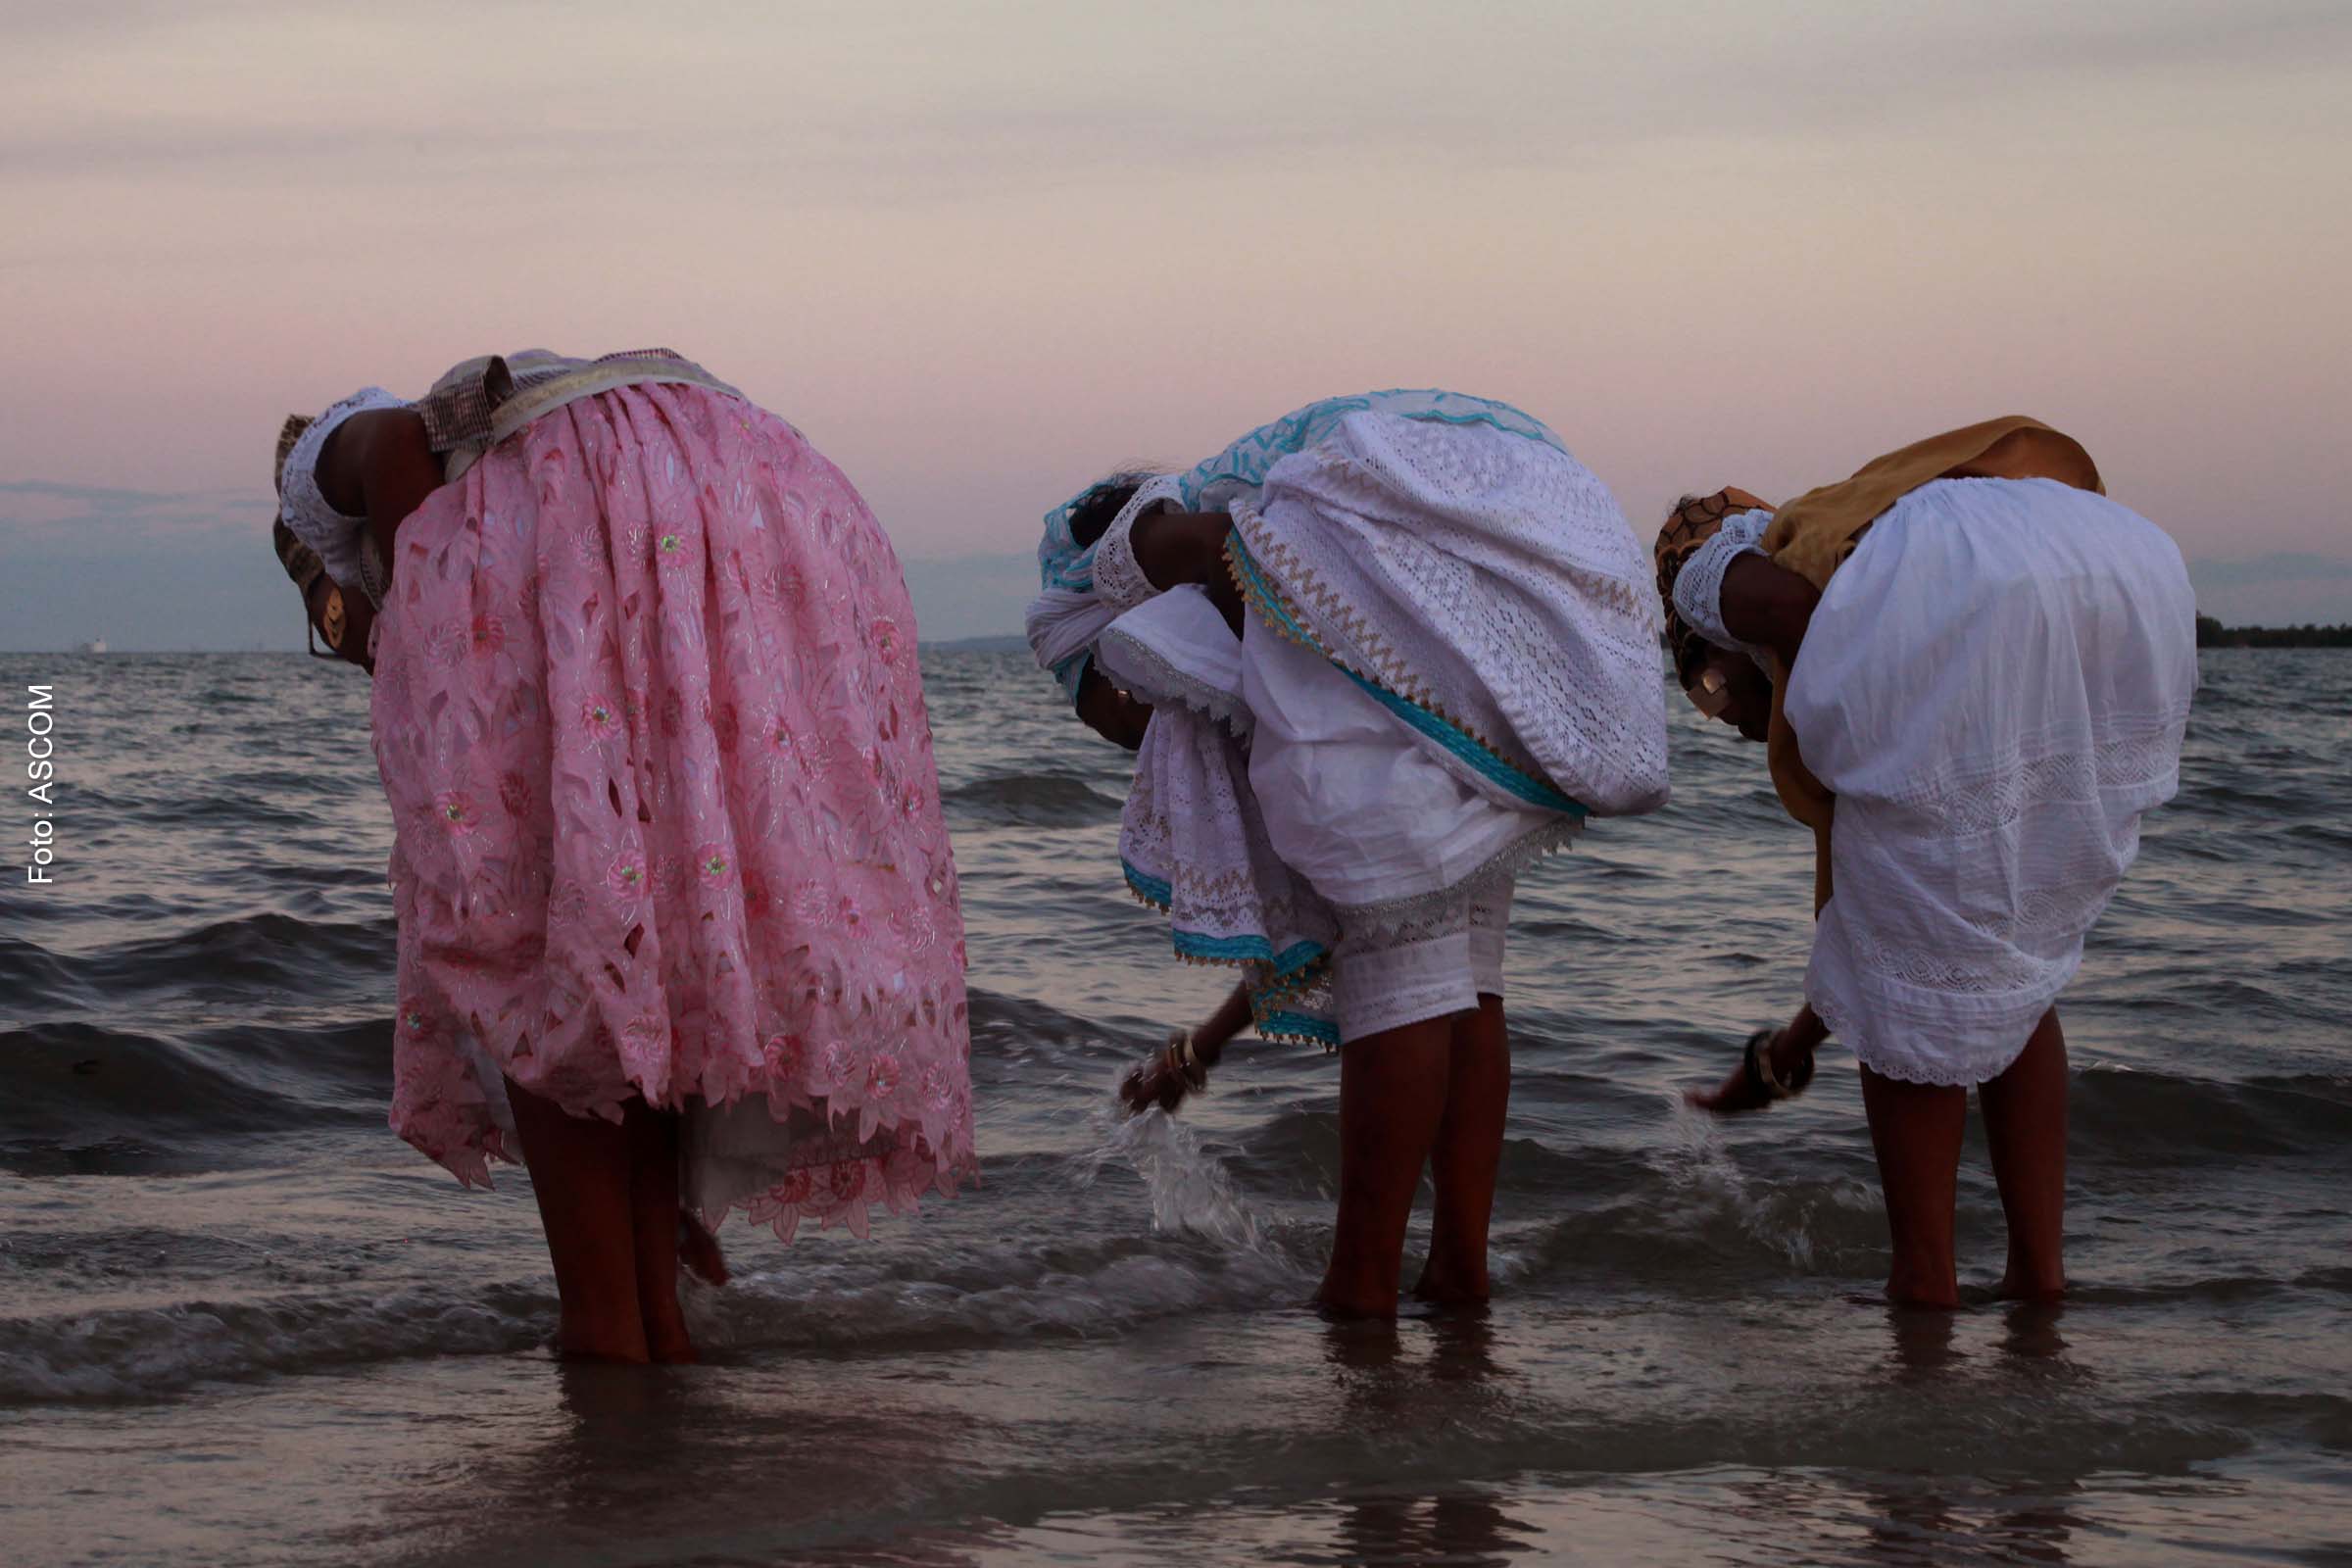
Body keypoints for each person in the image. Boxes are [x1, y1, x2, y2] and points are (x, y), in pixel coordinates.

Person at [272, 350, 976, 1361]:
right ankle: (649, 1325)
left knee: (524, 933)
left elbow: (386, 453)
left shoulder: (331, 465)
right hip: (755, 492)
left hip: (630, 483)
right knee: (642, 913)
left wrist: (425, 665)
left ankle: (608, 1348)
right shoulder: (507, 504)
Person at [1028, 390, 1670, 1316]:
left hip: (1451, 514)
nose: (1123, 727)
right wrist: (1195, 1051)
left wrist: (1144, 564)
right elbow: (1332, 925)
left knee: (1405, 973)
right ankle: (1457, 1272)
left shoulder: (1205, 563)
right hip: (1517, 548)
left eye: (1101, 693)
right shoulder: (1319, 638)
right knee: (1459, 970)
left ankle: (1360, 1291)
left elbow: (1162, 539)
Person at [1661, 417, 2196, 1307]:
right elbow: (1866, 933)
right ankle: (2038, 1286)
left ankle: (1924, 1287)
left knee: (1922, 979)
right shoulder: (1858, 556)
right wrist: (1782, 1058)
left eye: (1712, 692)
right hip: (2122, 573)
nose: (1730, 720)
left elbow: (1797, 616)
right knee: (2008, 955)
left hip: (1978, 595)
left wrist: (1732, 600)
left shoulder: (1712, 567)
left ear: (1715, 647)